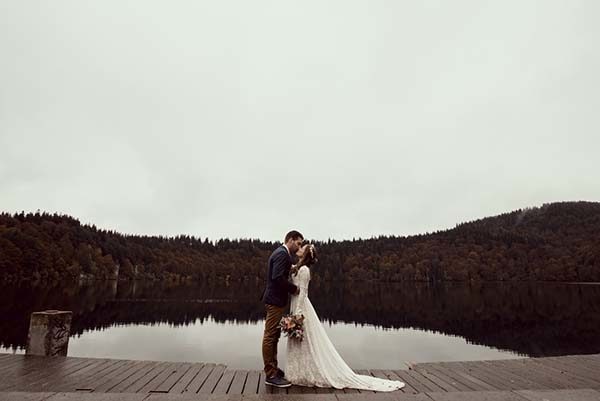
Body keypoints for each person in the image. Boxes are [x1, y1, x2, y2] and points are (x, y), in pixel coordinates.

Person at [285, 243, 405, 391]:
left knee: (305, 341)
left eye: (302, 248)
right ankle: (299, 372)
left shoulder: (304, 270)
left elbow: (303, 292)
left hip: (301, 306)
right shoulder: (298, 267)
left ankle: (306, 373)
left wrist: (297, 313)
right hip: (296, 303)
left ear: (305, 254)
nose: (299, 248)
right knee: (301, 341)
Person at [261, 230, 304, 388]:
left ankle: (273, 368)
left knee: (275, 335)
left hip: (276, 300)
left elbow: (281, 274)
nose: (299, 246)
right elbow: (277, 278)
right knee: (270, 335)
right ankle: (270, 374)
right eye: (298, 243)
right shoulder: (281, 254)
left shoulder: (283, 254)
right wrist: (294, 289)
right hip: (274, 300)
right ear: (291, 240)